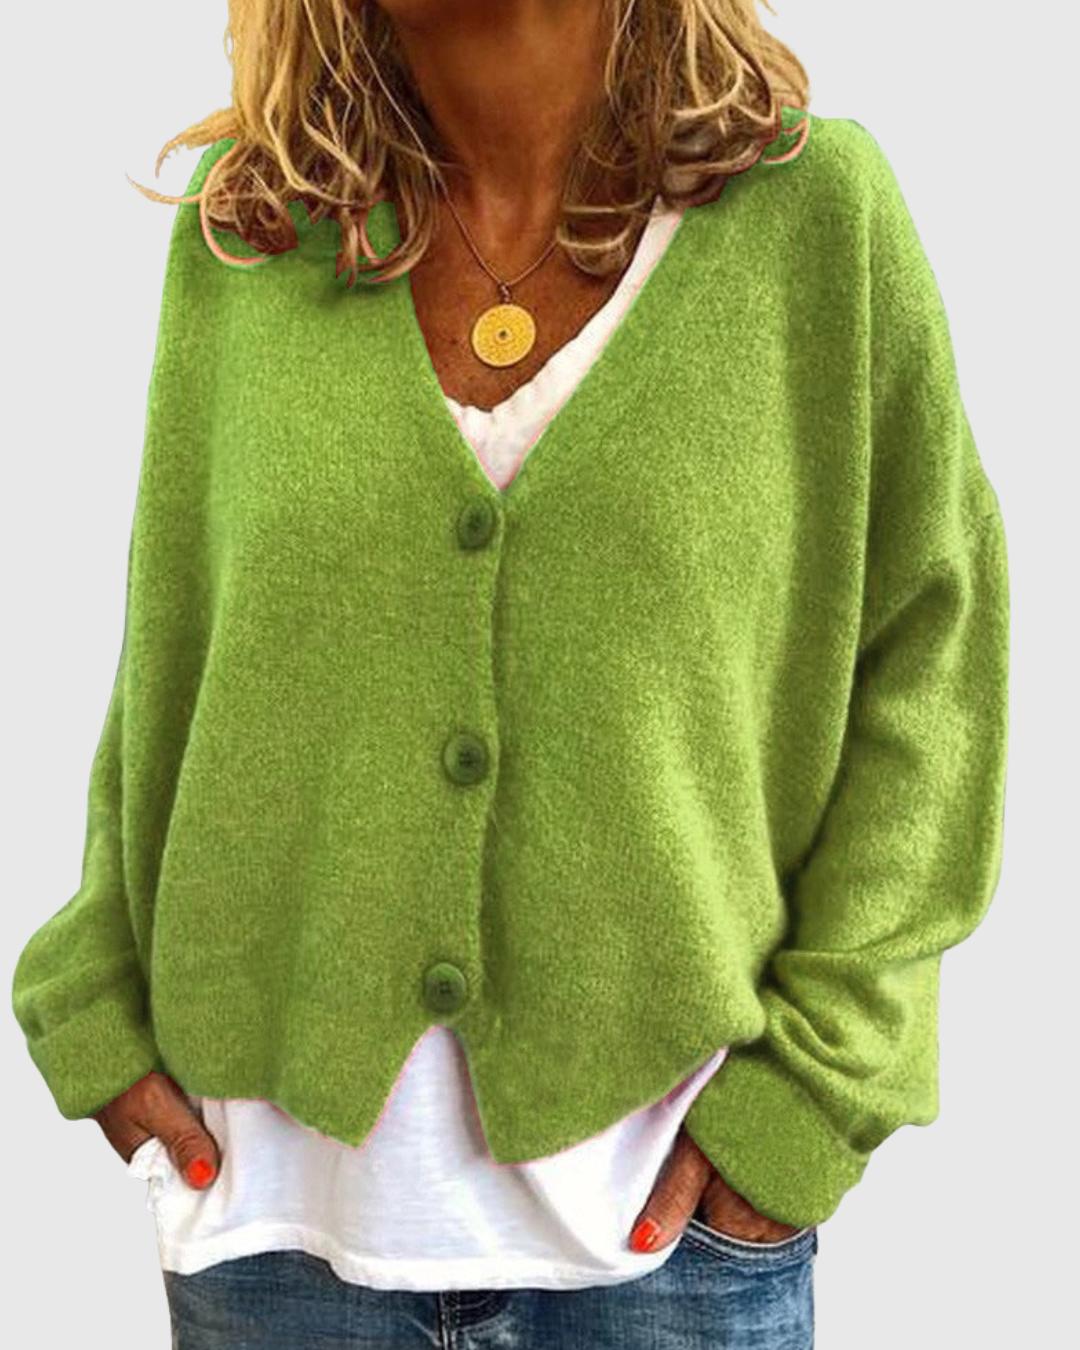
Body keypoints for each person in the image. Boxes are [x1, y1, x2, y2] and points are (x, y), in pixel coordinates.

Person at [10, 1, 1010, 1347]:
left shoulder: (815, 219)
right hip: (272, 1241)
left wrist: (817, 1091)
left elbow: (933, 664)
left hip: (667, 1256)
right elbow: (178, 645)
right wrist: (90, 995)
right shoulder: (246, 232)